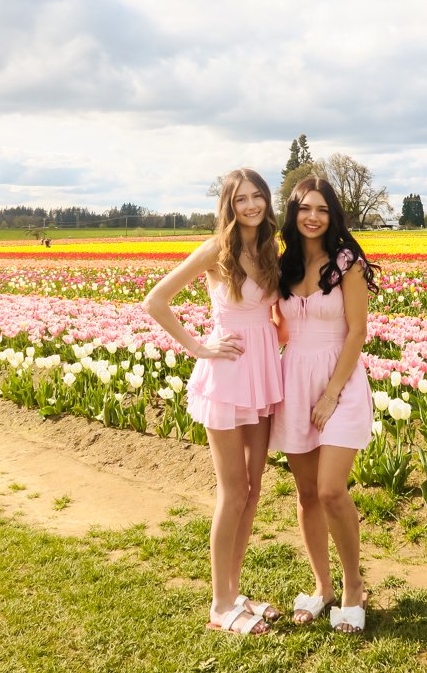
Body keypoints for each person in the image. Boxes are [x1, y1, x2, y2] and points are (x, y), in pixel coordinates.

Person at [142, 168, 284, 636]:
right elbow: (156, 301)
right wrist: (199, 347)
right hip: (226, 375)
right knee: (233, 490)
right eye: (241, 198)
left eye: (257, 196)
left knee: (253, 488)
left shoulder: (270, 249)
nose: (250, 205)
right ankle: (220, 603)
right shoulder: (214, 251)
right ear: (229, 205)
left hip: (262, 375)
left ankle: (235, 589)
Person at [270, 176, 381, 634]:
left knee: (332, 490)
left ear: (333, 214)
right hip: (295, 380)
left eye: (321, 208)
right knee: (307, 494)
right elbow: (272, 322)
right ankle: (322, 588)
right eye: (304, 208)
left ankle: (353, 587)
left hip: (341, 382)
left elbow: (357, 332)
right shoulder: (283, 267)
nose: (312, 216)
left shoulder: (346, 264)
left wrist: (333, 391)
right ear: (293, 214)